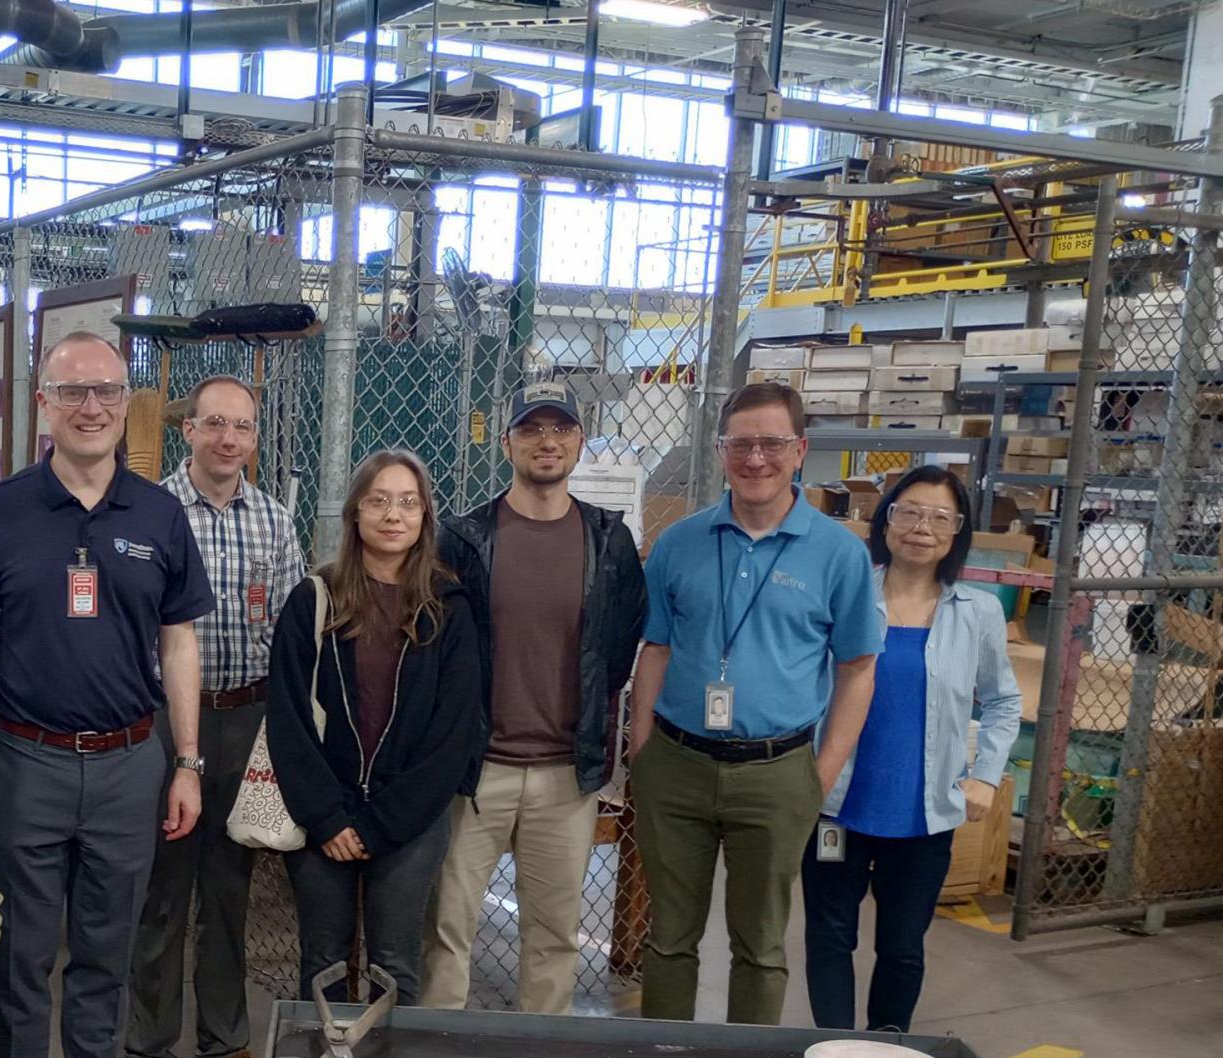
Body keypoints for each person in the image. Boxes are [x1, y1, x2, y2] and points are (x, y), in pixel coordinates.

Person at [0, 331, 214, 1058]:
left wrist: (188, 761)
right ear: (45, 404)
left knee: (106, 960)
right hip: (24, 761)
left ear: (126, 401)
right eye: (72, 391)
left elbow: (178, 640)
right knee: (20, 959)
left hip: (128, 764)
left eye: (106, 390)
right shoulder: (2, 511)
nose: (91, 406)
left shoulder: (160, 514)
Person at [628, 381, 882, 1025]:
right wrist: (641, 750)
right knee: (669, 936)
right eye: (740, 444)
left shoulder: (839, 554)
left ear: (800, 450)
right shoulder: (679, 542)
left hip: (777, 772)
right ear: (720, 451)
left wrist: (819, 774)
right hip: (676, 765)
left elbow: (857, 669)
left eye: (772, 443)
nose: (756, 458)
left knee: (761, 945)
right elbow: (655, 648)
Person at [421, 381, 647, 1014]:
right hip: (476, 771)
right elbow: (437, 644)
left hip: (564, 775)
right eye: (531, 429)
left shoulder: (608, 541)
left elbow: (620, 644)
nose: (547, 441)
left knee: (553, 936)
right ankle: (438, 1050)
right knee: (446, 929)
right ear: (507, 443)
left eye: (560, 428)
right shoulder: (464, 538)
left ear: (579, 441)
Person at [121, 376, 306, 1058]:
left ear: (254, 438)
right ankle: (146, 1056)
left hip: (248, 716)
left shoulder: (275, 522)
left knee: (230, 891)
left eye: (243, 427)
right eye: (215, 424)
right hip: (170, 723)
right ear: (188, 430)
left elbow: (290, 630)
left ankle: (225, 1042)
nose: (229, 439)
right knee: (163, 894)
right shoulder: (152, 514)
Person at [801, 466, 1021, 1032]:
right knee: (829, 937)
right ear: (886, 520)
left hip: (923, 816)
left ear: (958, 531)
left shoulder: (978, 612)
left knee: (902, 947)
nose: (923, 527)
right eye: (910, 512)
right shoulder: (846, 595)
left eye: (940, 517)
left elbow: (1003, 701)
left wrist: (985, 776)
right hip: (836, 807)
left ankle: (886, 1051)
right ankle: (833, 1048)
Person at [264, 450, 484, 1006]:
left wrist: (383, 825)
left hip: (409, 822)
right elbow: (288, 716)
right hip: (324, 817)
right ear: (355, 512)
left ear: (425, 516)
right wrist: (327, 817)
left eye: (408, 502)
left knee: (394, 964)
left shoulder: (449, 608)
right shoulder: (313, 600)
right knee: (323, 961)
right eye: (379, 500)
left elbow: (452, 734)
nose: (393, 515)